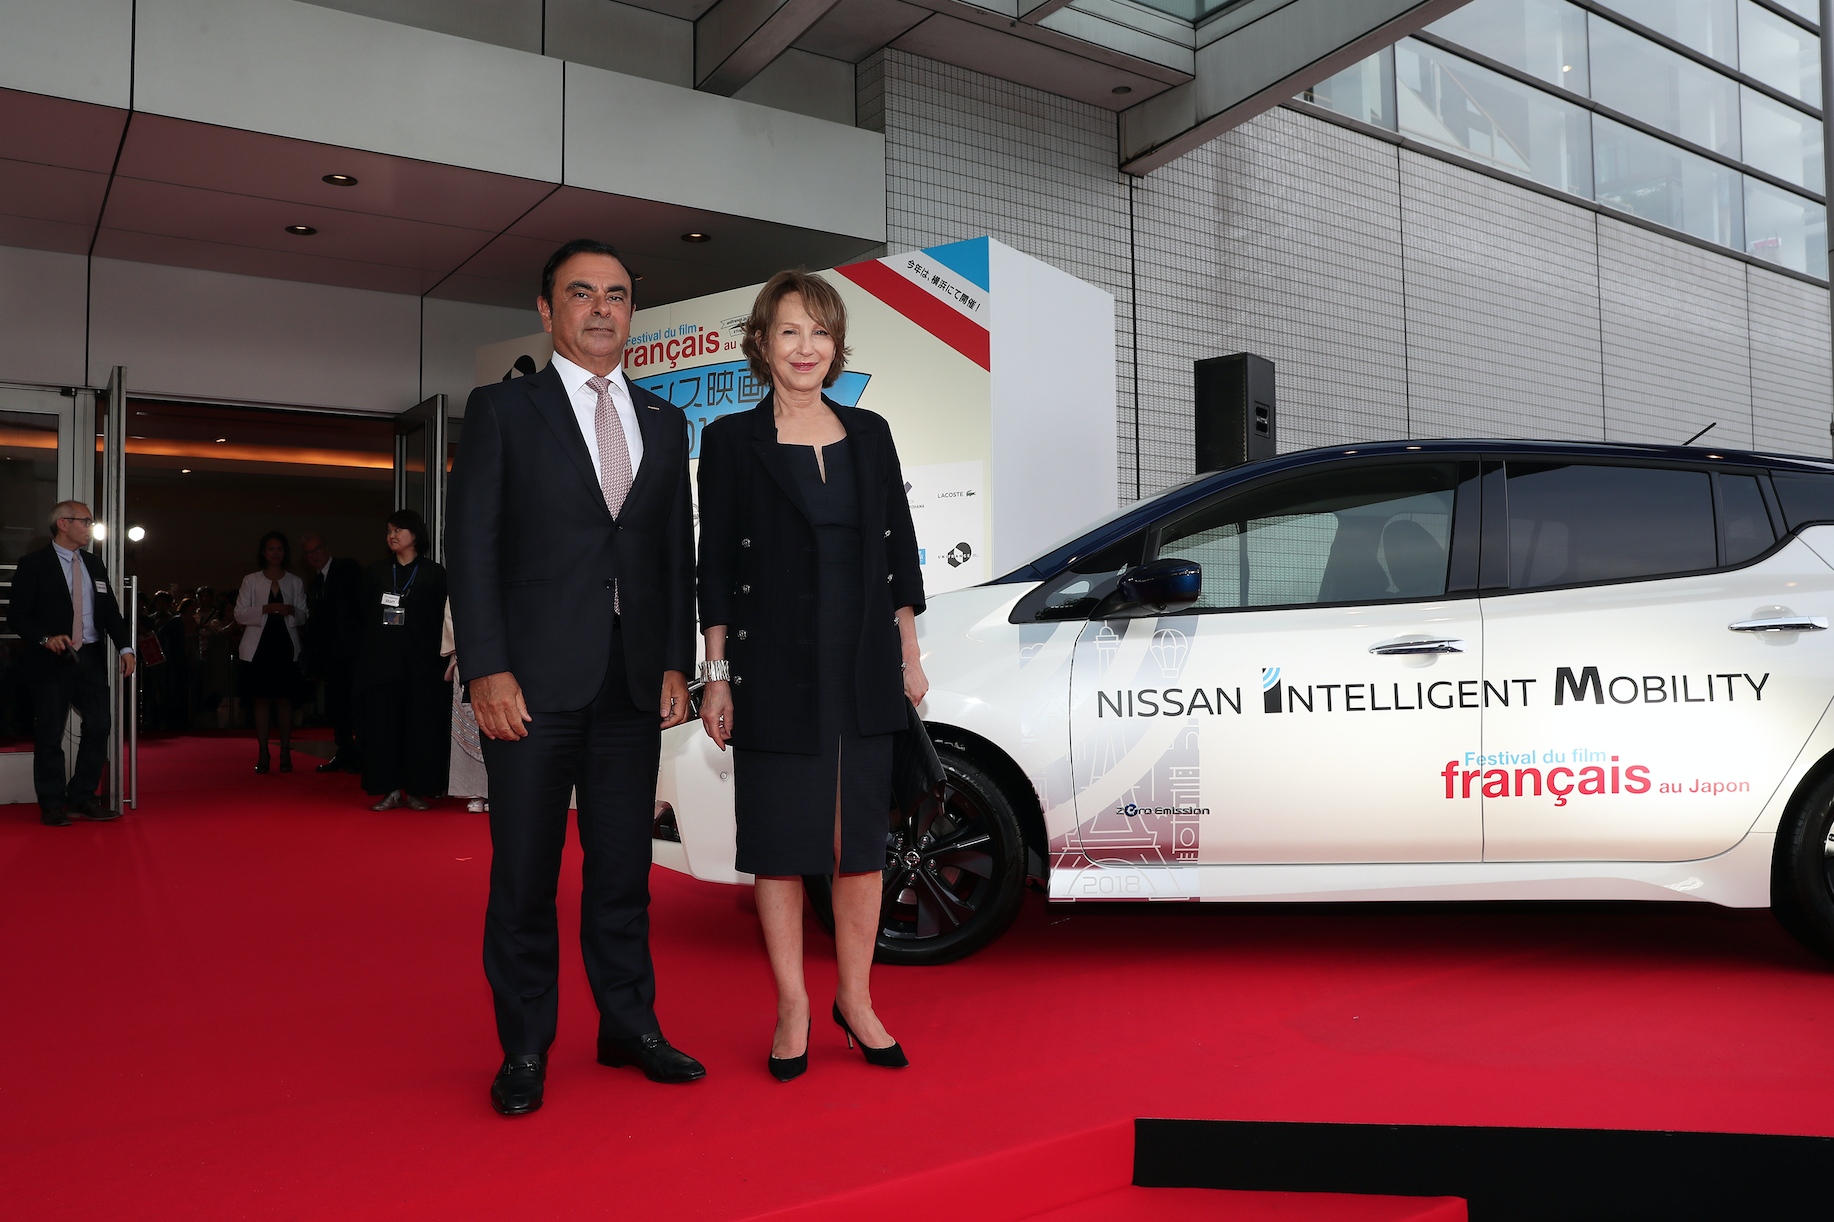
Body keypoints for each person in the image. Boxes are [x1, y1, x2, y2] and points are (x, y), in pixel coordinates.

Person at [447, 237, 699, 1117]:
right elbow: (471, 550)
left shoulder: (665, 422)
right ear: (547, 311)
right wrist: (486, 668)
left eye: (618, 295)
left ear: (634, 312)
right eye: (581, 293)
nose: (601, 308)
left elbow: (673, 554)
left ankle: (628, 1026)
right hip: (531, 686)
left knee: (624, 872)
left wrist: (677, 661)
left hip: (632, 686)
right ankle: (524, 1045)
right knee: (523, 875)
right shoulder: (502, 410)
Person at [696, 270, 928, 1081]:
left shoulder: (871, 433)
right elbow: (715, 566)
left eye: (821, 332)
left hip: (862, 661)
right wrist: (717, 672)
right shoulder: (729, 442)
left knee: (859, 843)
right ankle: (794, 1002)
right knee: (781, 846)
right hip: (770, 665)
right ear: (762, 344)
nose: (806, 348)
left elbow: (898, 550)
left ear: (837, 347)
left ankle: (856, 1000)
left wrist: (909, 651)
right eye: (790, 331)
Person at [6, 502, 136, 826]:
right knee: (50, 732)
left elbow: (111, 613)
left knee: (100, 725)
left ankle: (82, 797)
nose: (91, 527)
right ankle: (51, 804)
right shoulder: (34, 564)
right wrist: (44, 638)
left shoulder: (94, 564)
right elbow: (17, 616)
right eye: (86, 521)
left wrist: (125, 648)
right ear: (63, 523)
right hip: (52, 659)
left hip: (89, 656)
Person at [357, 510, 449, 810]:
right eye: (388, 530)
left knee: (421, 728)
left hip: (423, 667)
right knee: (384, 728)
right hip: (383, 666)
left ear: (415, 534)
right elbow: (364, 619)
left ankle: (419, 790)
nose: (392, 535)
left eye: (398, 529)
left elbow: (442, 622)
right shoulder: (376, 572)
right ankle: (390, 789)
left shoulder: (434, 573)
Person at [235, 531, 308, 774]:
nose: (275, 553)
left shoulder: (295, 581)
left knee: (285, 700)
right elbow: (239, 614)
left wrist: (291, 610)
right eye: (271, 549)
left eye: (279, 549)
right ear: (263, 553)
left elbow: (305, 616)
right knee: (261, 700)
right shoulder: (251, 580)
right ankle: (263, 751)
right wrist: (264, 609)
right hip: (259, 646)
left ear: (285, 553)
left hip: (285, 645)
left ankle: (286, 751)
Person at [302, 532, 366, 773]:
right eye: (309, 552)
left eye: (317, 549)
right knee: (337, 707)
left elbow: (361, 606)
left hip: (354, 651)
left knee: (357, 705)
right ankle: (345, 752)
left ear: (326, 548)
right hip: (332, 656)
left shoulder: (347, 568)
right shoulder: (316, 583)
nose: (314, 555)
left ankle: (362, 754)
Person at [441, 600, 489, 813]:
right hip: (467, 657)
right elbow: (451, 616)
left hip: (507, 662)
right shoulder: (463, 582)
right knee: (468, 726)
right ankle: (474, 792)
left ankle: (498, 791)